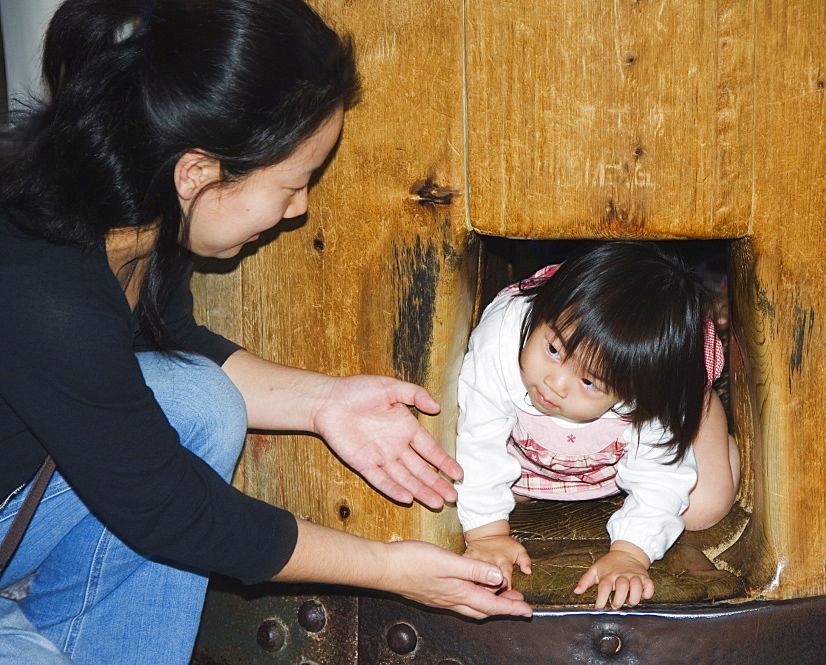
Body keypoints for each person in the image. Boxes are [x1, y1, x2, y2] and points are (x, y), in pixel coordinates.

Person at [0, 0, 531, 663]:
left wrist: (324, 403)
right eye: (294, 183)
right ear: (198, 172)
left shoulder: (139, 214)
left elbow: (176, 351)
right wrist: (392, 569)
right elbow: (177, 512)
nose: (300, 207)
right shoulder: (43, 288)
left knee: (198, 398)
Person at [456, 241, 740, 610]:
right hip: (538, 447)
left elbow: (660, 478)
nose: (554, 384)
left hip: (635, 425)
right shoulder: (503, 338)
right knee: (491, 493)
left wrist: (631, 553)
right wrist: (487, 533)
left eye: (589, 382)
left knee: (702, 508)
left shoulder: (649, 392)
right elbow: (479, 438)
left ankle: (700, 408)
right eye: (554, 349)